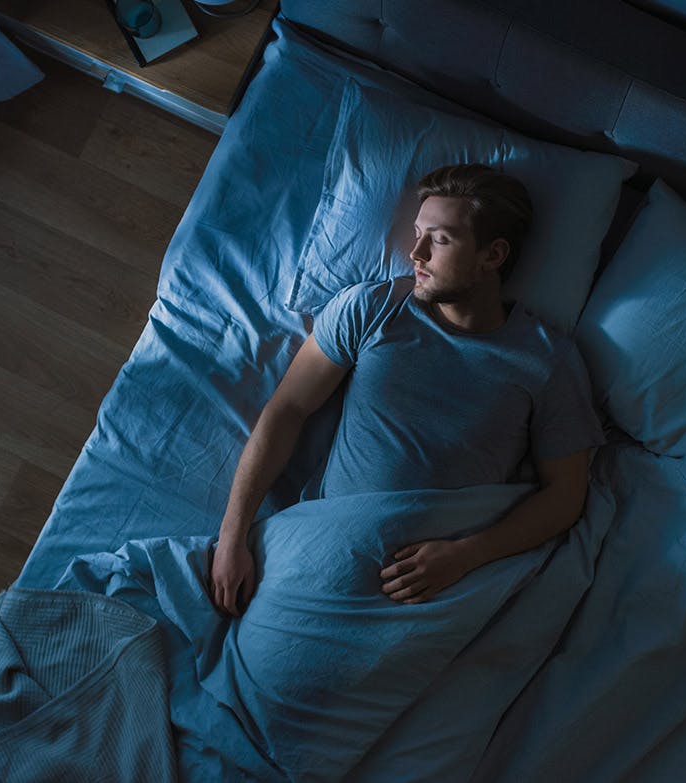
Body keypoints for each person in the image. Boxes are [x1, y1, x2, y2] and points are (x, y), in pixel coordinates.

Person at [209, 163, 605, 617]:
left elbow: (565, 495)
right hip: (325, 547)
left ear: (492, 256)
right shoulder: (371, 309)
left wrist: (467, 555)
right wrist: (232, 538)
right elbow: (288, 408)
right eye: (417, 233)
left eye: (439, 239)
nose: (414, 252)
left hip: (438, 586)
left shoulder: (546, 362)